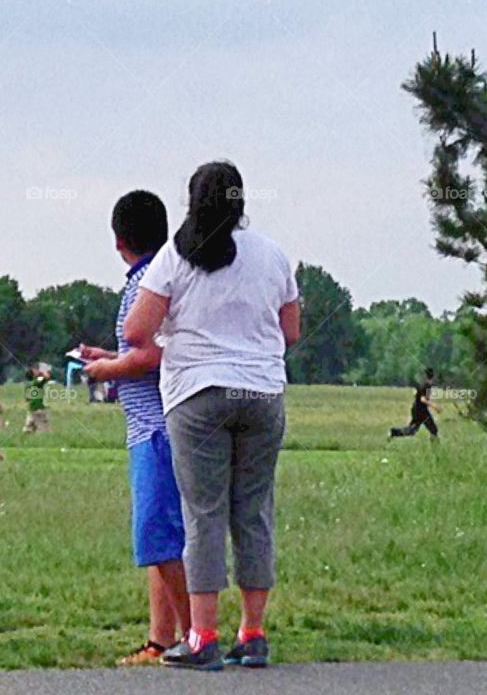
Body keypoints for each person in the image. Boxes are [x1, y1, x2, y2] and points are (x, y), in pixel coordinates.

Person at [124, 162, 300, 671]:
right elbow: (289, 331)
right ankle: (254, 632)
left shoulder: (174, 255)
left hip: (197, 396)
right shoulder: (271, 254)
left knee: (203, 513)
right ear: (240, 201)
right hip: (263, 395)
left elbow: (138, 331)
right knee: (253, 511)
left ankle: (203, 636)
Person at [81, 190, 190, 667]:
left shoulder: (149, 283)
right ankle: (160, 639)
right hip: (150, 425)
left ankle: (196, 635)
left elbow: (162, 352)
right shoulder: (160, 276)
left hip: (156, 428)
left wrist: (111, 371)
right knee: (160, 543)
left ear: (119, 239)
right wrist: (113, 358)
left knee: (158, 537)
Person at [389, 367, 440, 439]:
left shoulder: (423, 385)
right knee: (433, 430)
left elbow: (416, 395)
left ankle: (394, 432)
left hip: (416, 409)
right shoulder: (427, 386)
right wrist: (434, 406)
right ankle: (436, 448)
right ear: (433, 376)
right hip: (422, 411)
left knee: (411, 431)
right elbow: (423, 399)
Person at [22, 362, 52, 433]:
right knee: (44, 427)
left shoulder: (27, 384)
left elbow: (27, 399)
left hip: (31, 407)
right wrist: (47, 370)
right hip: (38, 408)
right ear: (33, 374)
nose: (37, 370)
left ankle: (26, 434)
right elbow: (47, 376)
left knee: (29, 426)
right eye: (35, 370)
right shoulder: (37, 381)